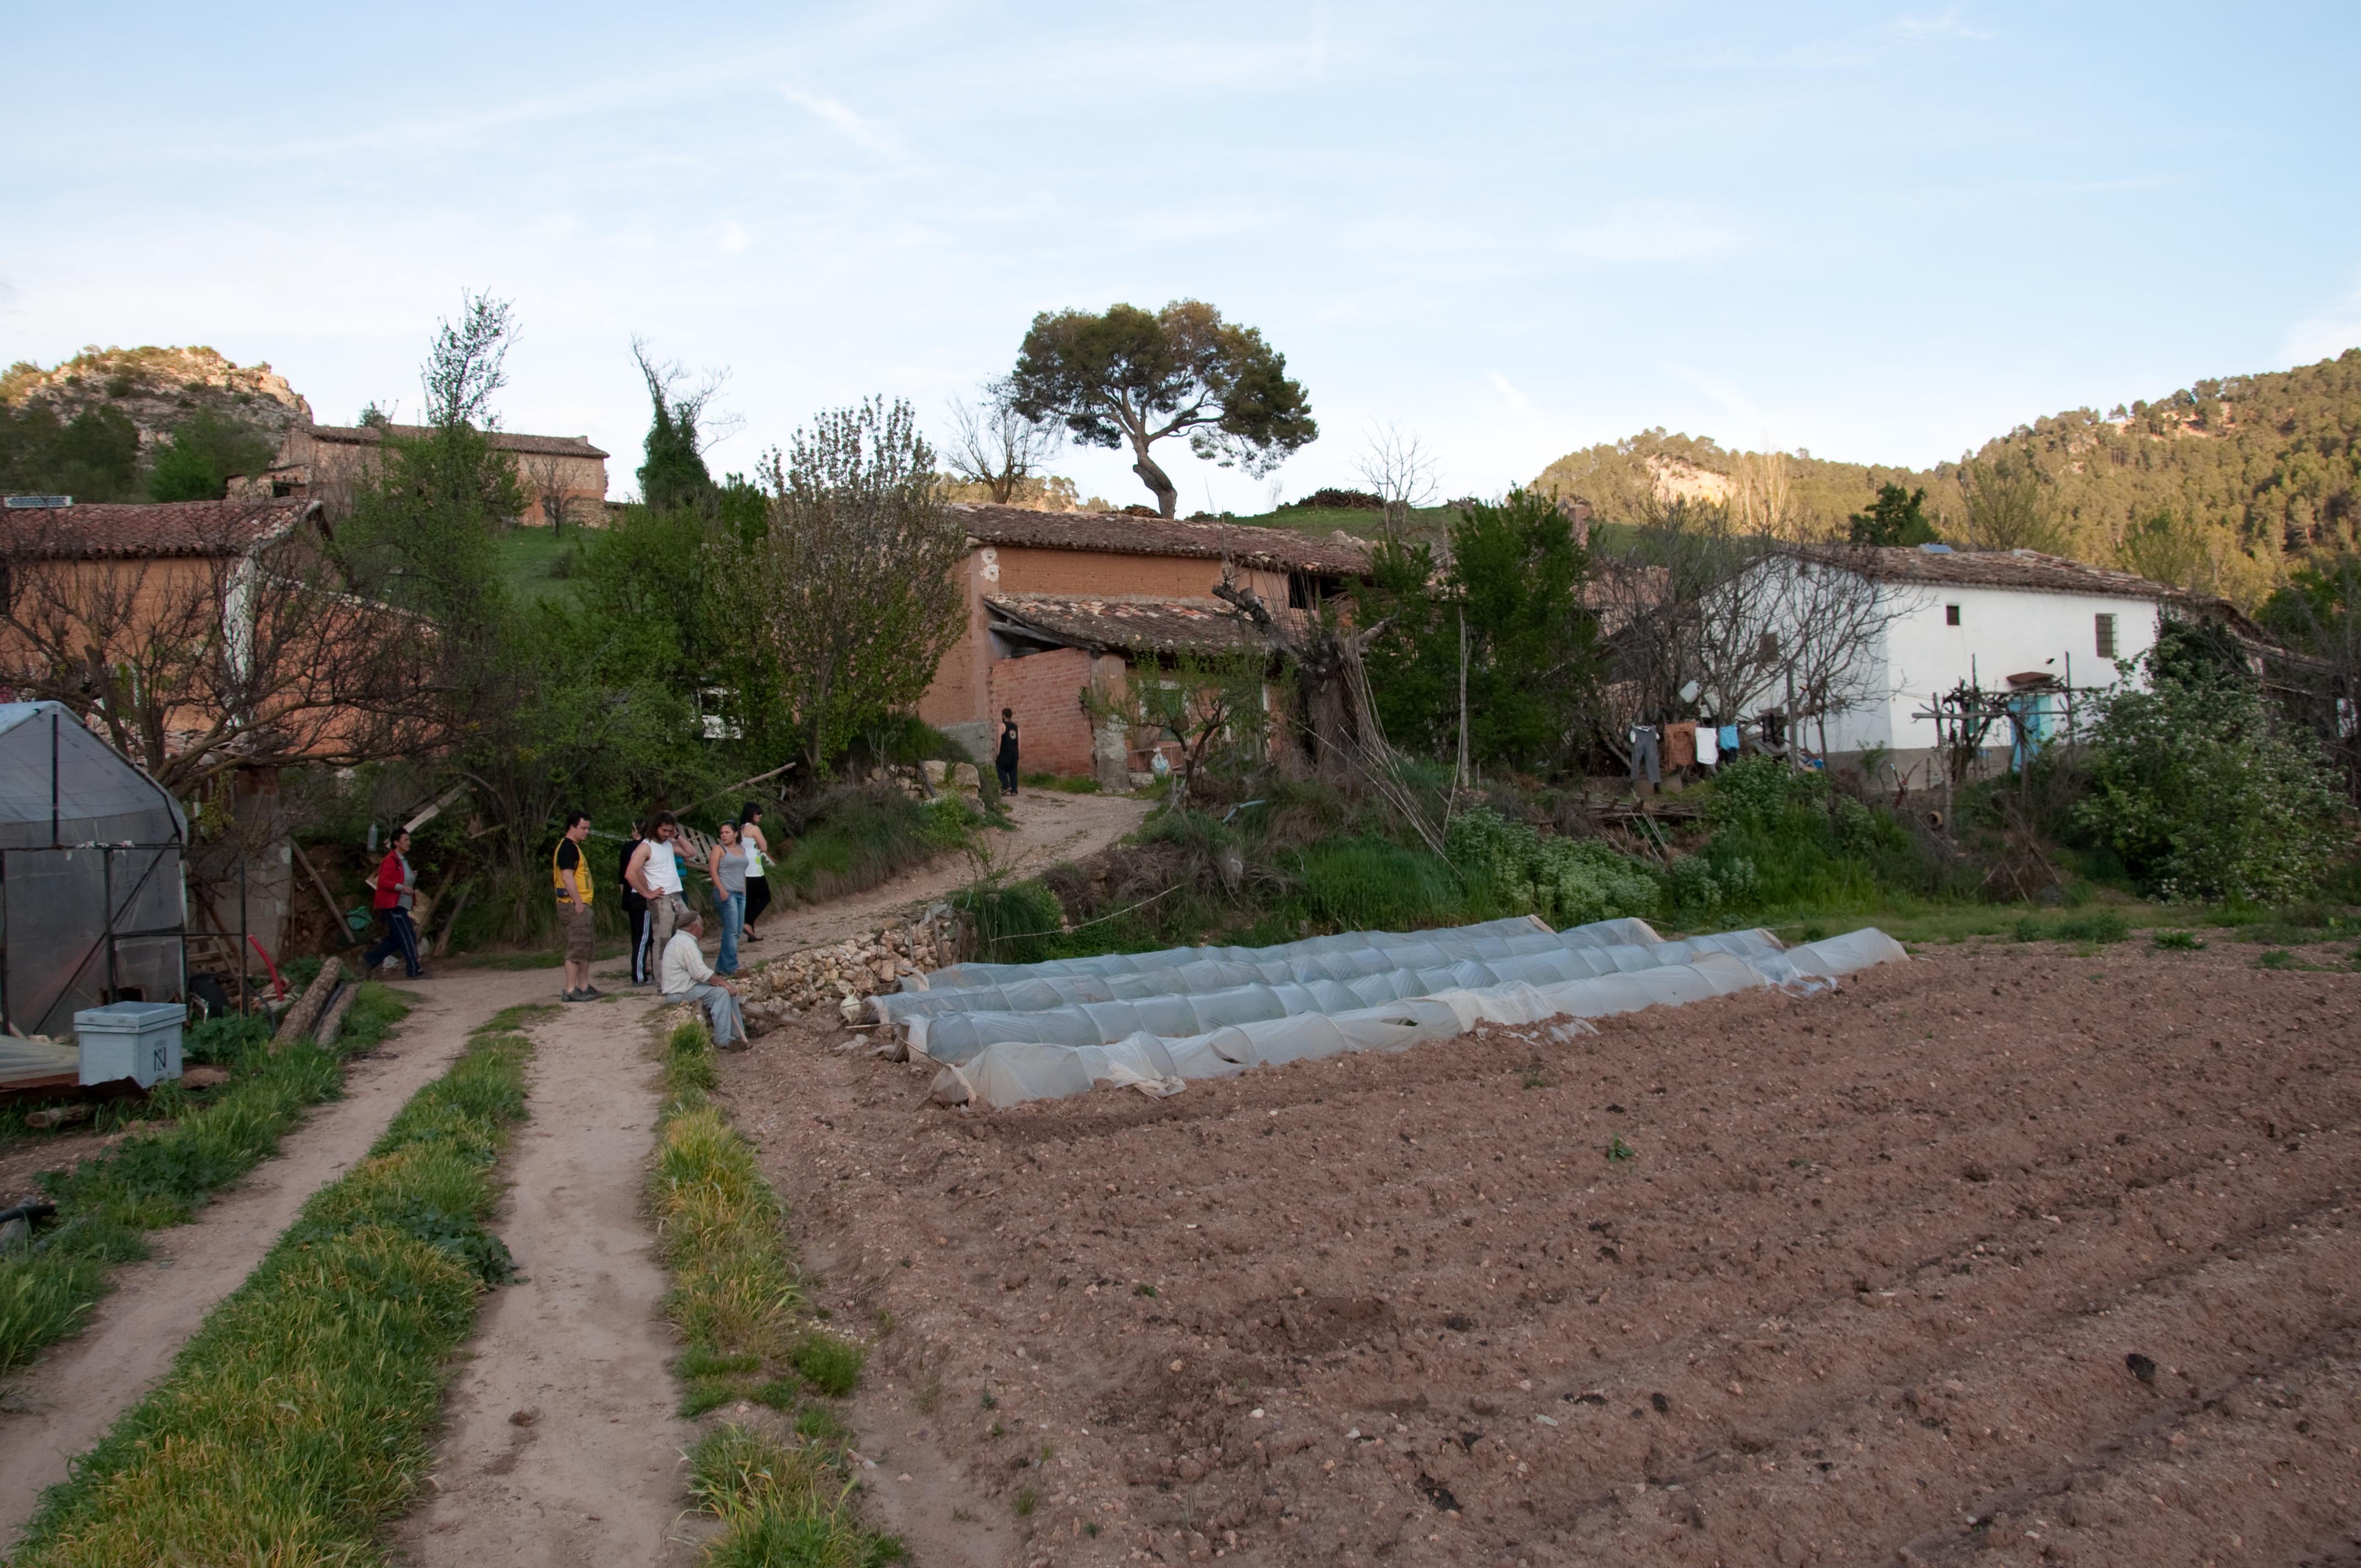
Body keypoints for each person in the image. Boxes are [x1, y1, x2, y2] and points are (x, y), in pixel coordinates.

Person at [660, 911, 750, 1049]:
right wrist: (724, 983)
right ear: (694, 927)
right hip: (680, 992)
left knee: (727, 992)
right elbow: (701, 973)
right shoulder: (687, 944)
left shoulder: (678, 940)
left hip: (681, 989)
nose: (703, 930)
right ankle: (724, 1040)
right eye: (702, 926)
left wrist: (723, 985)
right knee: (721, 994)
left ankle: (738, 1035)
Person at [627, 810, 688, 982]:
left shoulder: (668, 844)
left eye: (670, 831)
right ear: (656, 828)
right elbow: (631, 873)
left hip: (676, 895)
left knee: (690, 927)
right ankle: (663, 981)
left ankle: (679, 972)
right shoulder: (645, 847)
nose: (667, 834)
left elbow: (690, 852)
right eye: (665, 830)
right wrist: (647, 893)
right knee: (662, 939)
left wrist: (678, 836)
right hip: (661, 899)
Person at [363, 828, 426, 979]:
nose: (409, 843)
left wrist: (411, 877)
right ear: (397, 843)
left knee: (396, 939)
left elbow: (399, 878)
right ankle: (414, 970)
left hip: (400, 904)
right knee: (408, 936)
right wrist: (401, 887)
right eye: (405, 840)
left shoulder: (401, 860)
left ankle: (368, 961)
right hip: (393, 905)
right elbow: (384, 881)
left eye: (408, 840)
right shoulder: (391, 860)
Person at [553, 809, 600, 1002]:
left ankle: (584, 986)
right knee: (577, 946)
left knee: (585, 947)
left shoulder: (574, 848)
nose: (586, 832)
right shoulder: (567, 848)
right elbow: (567, 877)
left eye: (588, 828)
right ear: (572, 827)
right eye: (583, 828)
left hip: (581, 904)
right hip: (574, 905)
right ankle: (570, 989)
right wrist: (578, 902)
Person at [706, 821, 747, 976]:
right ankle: (731, 965)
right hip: (727, 891)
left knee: (737, 929)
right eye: (722, 833)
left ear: (736, 834)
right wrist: (721, 890)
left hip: (739, 892)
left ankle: (722, 966)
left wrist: (744, 890)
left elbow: (743, 871)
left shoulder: (741, 849)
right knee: (730, 929)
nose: (723, 835)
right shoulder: (719, 849)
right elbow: (713, 870)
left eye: (727, 832)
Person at [618, 821, 651, 987]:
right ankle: (639, 974)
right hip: (642, 895)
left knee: (638, 935)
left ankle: (643, 969)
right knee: (645, 936)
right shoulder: (646, 848)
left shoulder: (627, 848)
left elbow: (622, 877)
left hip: (631, 896)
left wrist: (624, 897)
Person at [737, 802, 771, 944]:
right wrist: (758, 847)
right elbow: (764, 846)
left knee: (750, 900)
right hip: (755, 869)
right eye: (758, 814)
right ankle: (747, 923)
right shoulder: (754, 829)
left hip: (744, 869)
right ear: (752, 814)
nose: (760, 816)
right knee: (765, 897)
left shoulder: (740, 829)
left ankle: (751, 932)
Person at [995, 706, 1020, 795]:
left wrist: (998, 751)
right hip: (1014, 753)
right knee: (1013, 771)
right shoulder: (1016, 727)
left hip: (1005, 752)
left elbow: (999, 739)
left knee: (1000, 767)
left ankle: (1006, 785)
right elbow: (1019, 741)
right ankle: (1014, 790)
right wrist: (1019, 753)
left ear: (1004, 716)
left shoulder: (1002, 725)